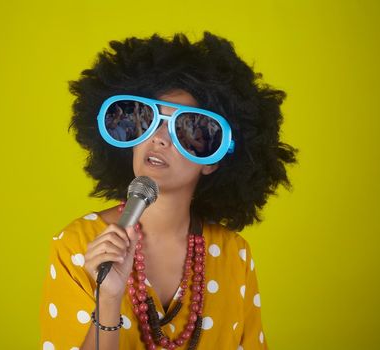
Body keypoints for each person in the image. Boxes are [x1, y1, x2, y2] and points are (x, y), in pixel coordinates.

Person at [40, 32, 298, 350]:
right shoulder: (76, 247)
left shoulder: (235, 254)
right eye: (146, 119)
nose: (159, 138)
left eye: (189, 128)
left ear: (213, 158)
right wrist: (108, 299)